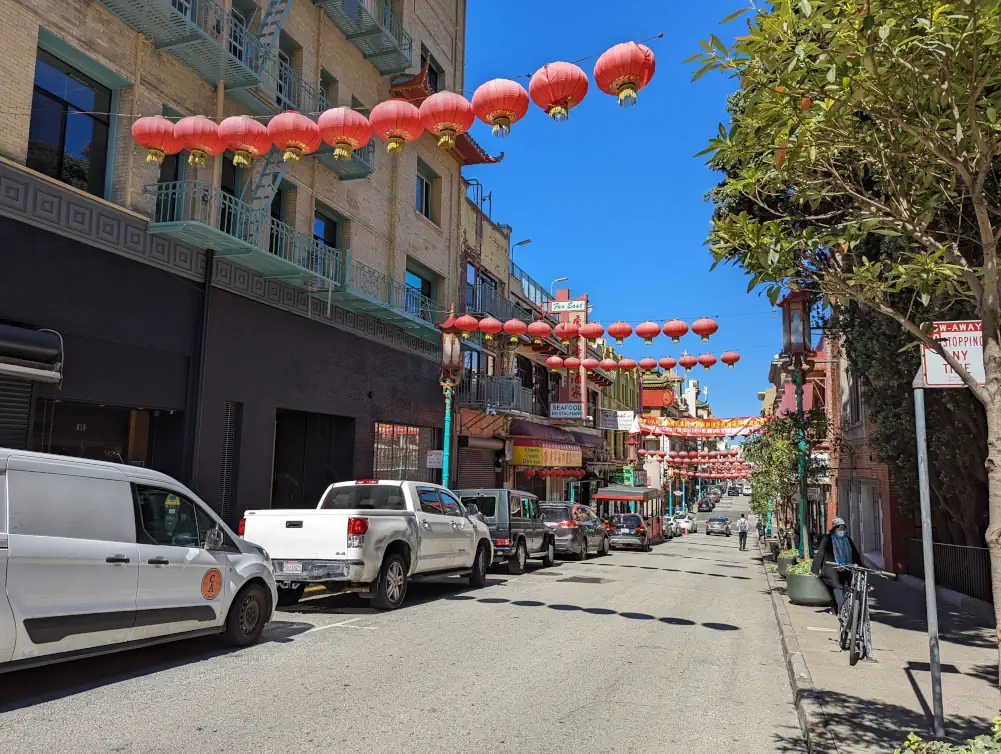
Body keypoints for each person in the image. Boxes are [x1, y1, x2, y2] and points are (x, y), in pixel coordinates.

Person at [811, 517, 863, 615]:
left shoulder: (848, 540)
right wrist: (815, 569)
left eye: (843, 529)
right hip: (831, 567)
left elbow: (855, 553)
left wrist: (858, 564)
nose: (841, 531)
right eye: (839, 529)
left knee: (845, 587)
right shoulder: (828, 539)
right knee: (837, 586)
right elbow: (821, 553)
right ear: (834, 529)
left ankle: (836, 608)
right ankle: (841, 611)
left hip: (846, 567)